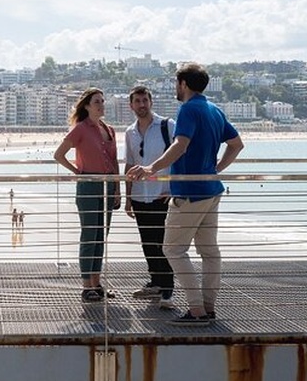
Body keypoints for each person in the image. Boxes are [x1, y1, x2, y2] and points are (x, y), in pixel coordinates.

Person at [127, 63, 244, 326]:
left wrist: (150, 168)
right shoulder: (214, 109)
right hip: (211, 190)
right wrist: (215, 169)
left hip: (190, 192)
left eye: (176, 83)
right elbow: (236, 145)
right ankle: (208, 308)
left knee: (172, 248)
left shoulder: (189, 109)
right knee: (209, 252)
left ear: (184, 84)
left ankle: (196, 310)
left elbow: (181, 144)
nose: (174, 88)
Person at [54, 87, 121, 302]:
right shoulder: (81, 129)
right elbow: (59, 154)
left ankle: (97, 283)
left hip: (108, 185)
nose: (101, 105)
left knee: (102, 236)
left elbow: (114, 162)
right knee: (89, 234)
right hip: (89, 186)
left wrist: (117, 189)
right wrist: (78, 172)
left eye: (102, 101)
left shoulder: (109, 129)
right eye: (96, 102)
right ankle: (86, 286)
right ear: (86, 106)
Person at [123, 85, 176, 310]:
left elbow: (179, 155)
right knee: (147, 242)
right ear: (131, 105)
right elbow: (128, 164)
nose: (142, 105)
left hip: (161, 195)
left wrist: (173, 187)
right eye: (137, 101)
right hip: (139, 195)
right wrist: (127, 197)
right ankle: (155, 281)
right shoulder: (129, 132)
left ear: (151, 102)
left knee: (163, 242)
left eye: (145, 100)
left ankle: (168, 289)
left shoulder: (167, 125)